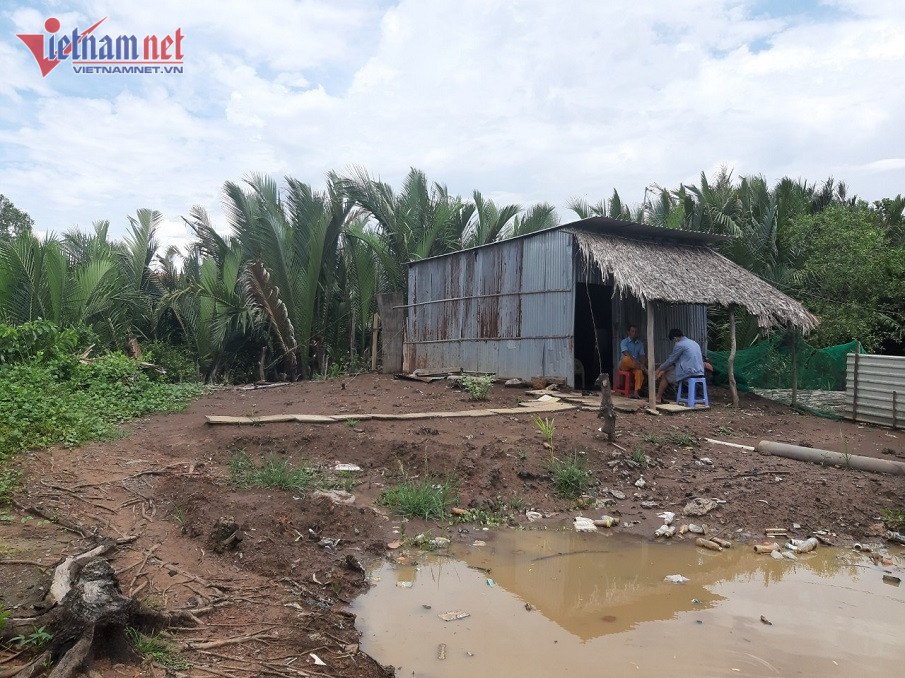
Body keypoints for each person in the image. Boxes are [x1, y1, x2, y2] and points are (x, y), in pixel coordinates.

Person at [655, 328, 704, 404]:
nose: (674, 343)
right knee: (671, 370)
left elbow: (671, 360)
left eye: (673, 341)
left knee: (665, 376)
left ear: (675, 338)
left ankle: (658, 398)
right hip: (700, 371)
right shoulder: (693, 342)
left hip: (689, 372)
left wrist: (659, 369)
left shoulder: (679, 344)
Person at [618, 324, 647, 399]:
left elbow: (642, 356)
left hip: (635, 365)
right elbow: (625, 353)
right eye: (632, 331)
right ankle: (644, 369)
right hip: (625, 365)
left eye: (636, 331)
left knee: (639, 372)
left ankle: (636, 392)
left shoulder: (640, 343)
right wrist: (639, 365)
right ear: (628, 332)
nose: (634, 333)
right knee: (626, 359)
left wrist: (643, 364)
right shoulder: (624, 342)